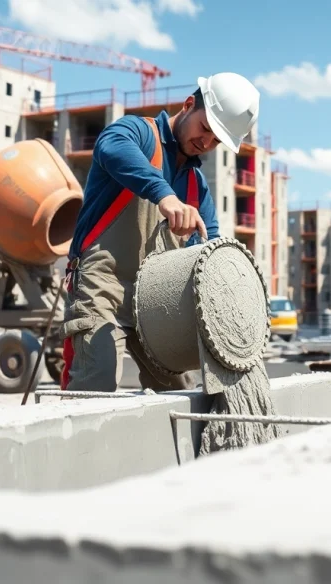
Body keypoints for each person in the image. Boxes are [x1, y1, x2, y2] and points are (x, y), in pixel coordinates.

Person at [58, 72, 261, 392]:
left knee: (183, 390)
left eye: (216, 140)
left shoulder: (197, 187)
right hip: (103, 285)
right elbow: (111, 147)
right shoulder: (137, 132)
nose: (206, 143)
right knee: (95, 380)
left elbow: (209, 253)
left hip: (158, 298)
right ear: (189, 104)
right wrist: (164, 196)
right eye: (205, 128)